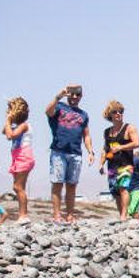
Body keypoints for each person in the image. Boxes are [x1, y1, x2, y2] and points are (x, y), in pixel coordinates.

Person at [45, 84, 95, 224]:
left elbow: (86, 135)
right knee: (57, 183)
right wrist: (58, 96)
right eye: (71, 94)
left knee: (72, 185)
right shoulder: (60, 107)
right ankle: (57, 215)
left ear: (81, 96)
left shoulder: (84, 115)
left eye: (77, 94)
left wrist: (90, 151)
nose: (74, 97)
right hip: (59, 151)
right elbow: (48, 111)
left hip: (76, 153)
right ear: (67, 95)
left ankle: (70, 215)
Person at [98, 100, 139, 221]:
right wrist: (101, 164)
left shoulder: (129, 128)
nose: (118, 114)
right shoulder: (107, 132)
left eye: (120, 111)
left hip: (126, 164)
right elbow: (105, 149)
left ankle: (124, 215)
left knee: (123, 187)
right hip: (112, 165)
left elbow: (136, 143)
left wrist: (121, 147)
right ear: (109, 114)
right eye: (115, 112)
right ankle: (121, 213)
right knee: (115, 190)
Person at [2, 97, 34, 223]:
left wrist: (9, 119)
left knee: (18, 187)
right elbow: (4, 131)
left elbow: (10, 136)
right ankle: (22, 215)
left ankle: (23, 215)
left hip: (23, 157)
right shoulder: (18, 126)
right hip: (18, 157)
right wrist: (9, 121)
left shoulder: (24, 126)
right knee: (18, 188)